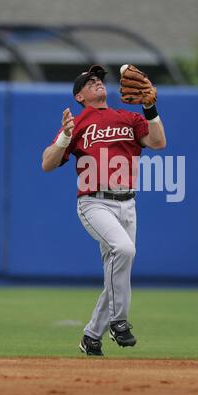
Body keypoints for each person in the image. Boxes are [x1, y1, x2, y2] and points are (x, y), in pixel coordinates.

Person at [42, 64, 166, 356]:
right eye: (89, 81)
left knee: (117, 273)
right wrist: (64, 137)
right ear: (79, 96)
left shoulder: (128, 117)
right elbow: (47, 163)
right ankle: (119, 321)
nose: (97, 82)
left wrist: (150, 107)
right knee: (123, 251)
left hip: (128, 203)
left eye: (99, 79)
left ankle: (91, 336)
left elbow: (158, 142)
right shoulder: (79, 123)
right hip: (94, 202)